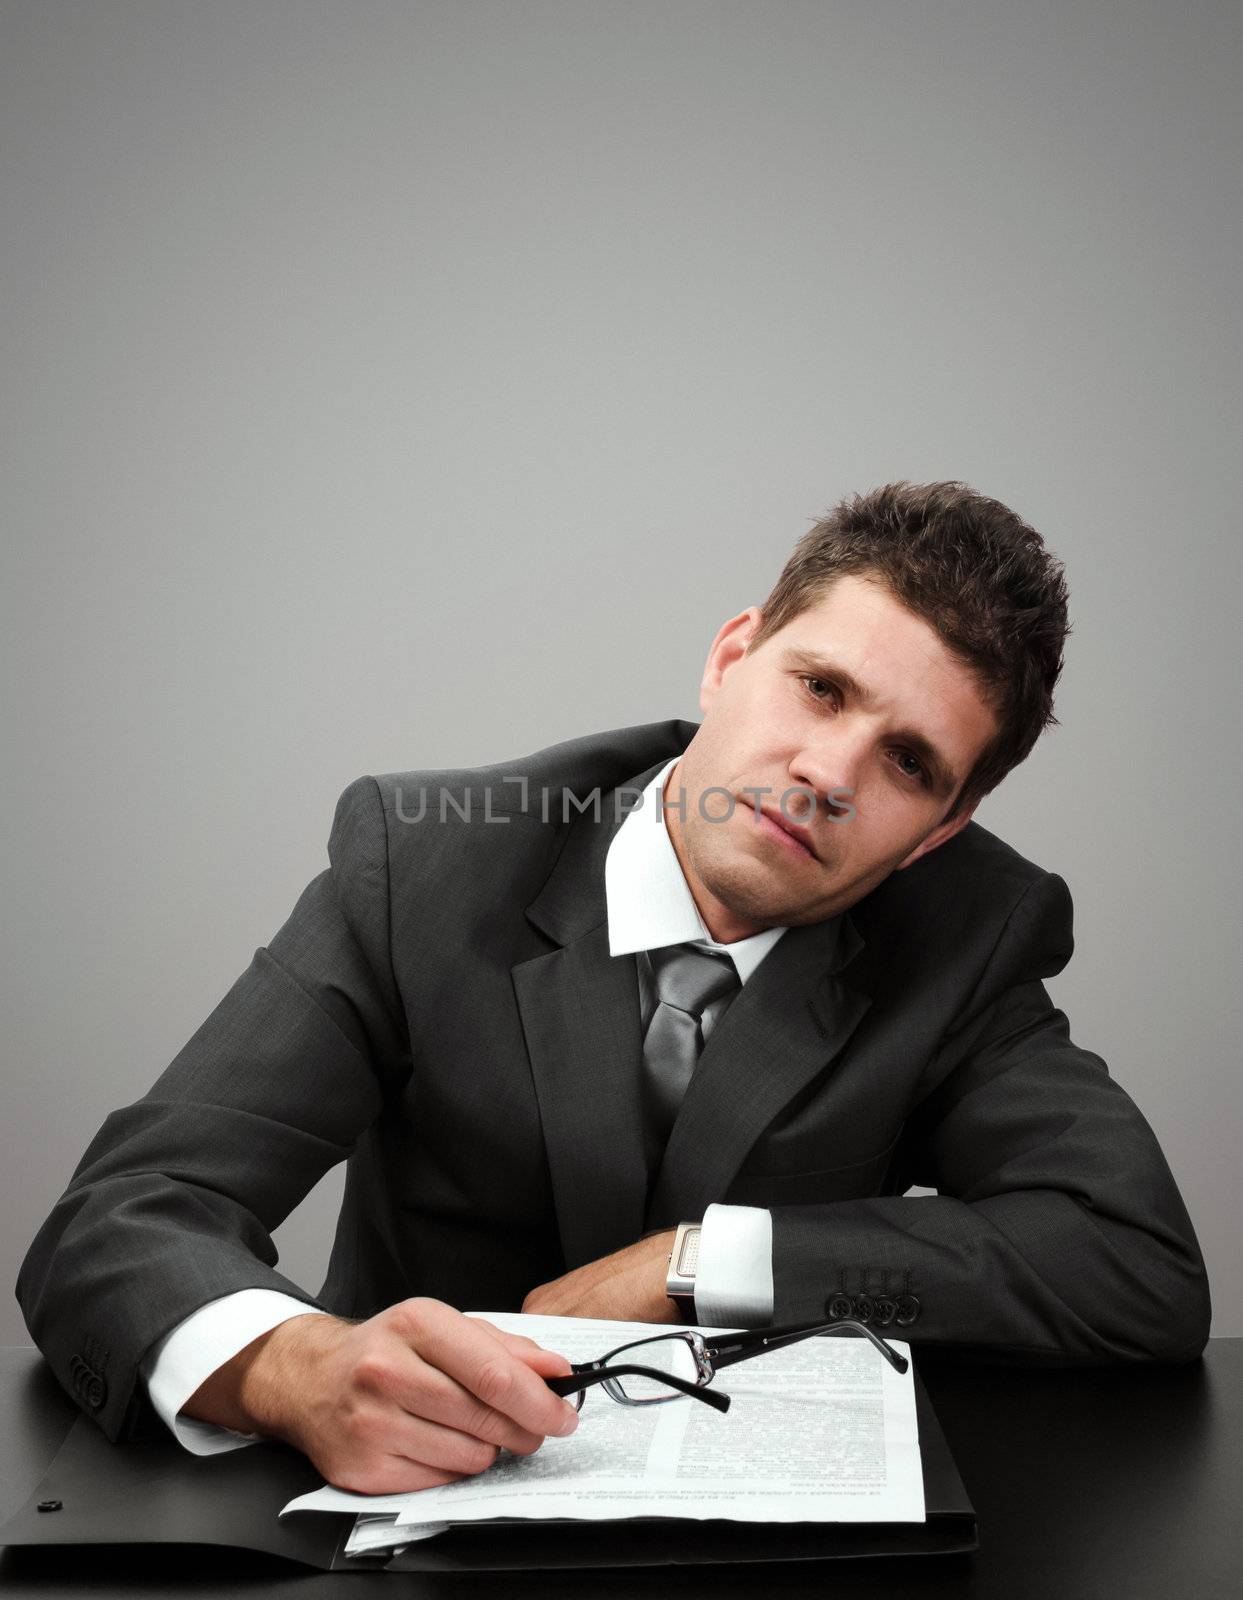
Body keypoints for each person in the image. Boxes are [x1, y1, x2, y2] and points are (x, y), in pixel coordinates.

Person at [17, 481, 1211, 1497]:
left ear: (938, 832)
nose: (826, 774)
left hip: (766, 1545)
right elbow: (119, 1220)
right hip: (393, 1530)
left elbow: (1133, 1266)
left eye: (908, 763)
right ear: (732, 656)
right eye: (821, 689)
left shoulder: (966, 936)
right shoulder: (427, 865)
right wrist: (294, 1369)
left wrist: (698, 1262)